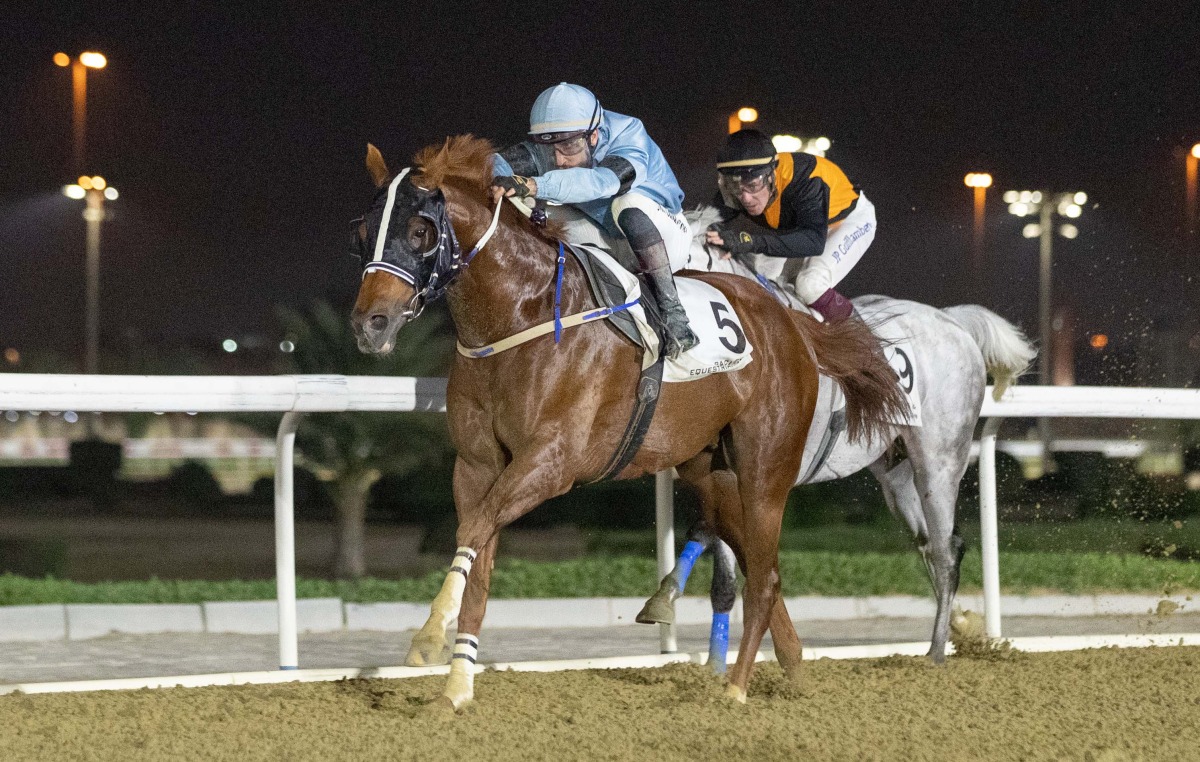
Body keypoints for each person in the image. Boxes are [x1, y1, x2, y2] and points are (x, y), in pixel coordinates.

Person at [490, 82, 699, 359]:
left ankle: (675, 317)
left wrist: (533, 184)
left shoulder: (629, 133)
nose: (559, 159)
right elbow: (491, 163)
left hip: (664, 238)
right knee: (527, 209)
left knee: (627, 204)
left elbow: (602, 183)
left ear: (594, 135)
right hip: (606, 237)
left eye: (568, 145)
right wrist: (495, 181)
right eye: (547, 146)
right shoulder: (559, 142)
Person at [705, 129, 875, 322]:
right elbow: (705, 221)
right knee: (760, 280)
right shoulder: (739, 189)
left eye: (753, 185)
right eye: (736, 186)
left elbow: (813, 241)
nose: (745, 198)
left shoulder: (806, 180)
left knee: (809, 285)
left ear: (771, 175)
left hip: (847, 221)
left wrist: (749, 242)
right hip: (805, 225)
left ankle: (864, 340)